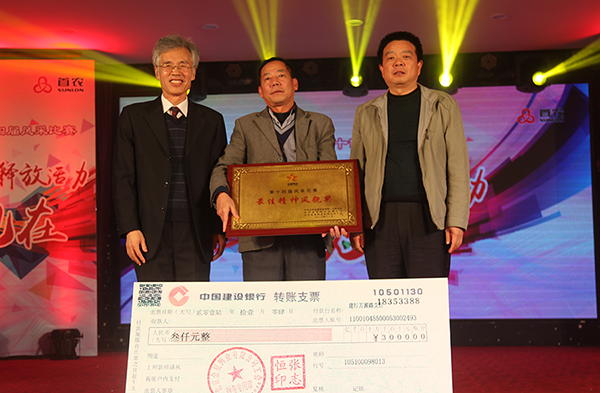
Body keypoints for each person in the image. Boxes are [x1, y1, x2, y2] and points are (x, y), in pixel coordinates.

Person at [350, 31, 470, 279]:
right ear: (382, 69)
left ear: (419, 66)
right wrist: (356, 224)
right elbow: (356, 172)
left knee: (428, 297)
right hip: (379, 220)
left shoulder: (443, 105)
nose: (398, 63)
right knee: (385, 297)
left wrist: (456, 220)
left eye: (406, 57)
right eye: (390, 58)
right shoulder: (366, 112)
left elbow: (458, 167)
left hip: (429, 218)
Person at [210, 57, 340, 281]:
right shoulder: (245, 126)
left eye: (281, 75)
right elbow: (223, 167)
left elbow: (331, 176)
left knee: (307, 302)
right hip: (259, 239)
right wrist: (221, 193)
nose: (275, 82)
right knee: (262, 303)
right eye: (267, 78)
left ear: (295, 83)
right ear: (261, 91)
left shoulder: (320, 123)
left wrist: (338, 214)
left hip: (308, 237)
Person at [113, 34, 227, 282]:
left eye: (183, 65)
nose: (176, 72)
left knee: (193, 302)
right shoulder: (133, 117)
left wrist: (217, 229)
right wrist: (130, 228)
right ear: (157, 72)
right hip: (149, 232)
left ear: (193, 72)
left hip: (197, 231)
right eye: (168, 65)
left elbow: (219, 174)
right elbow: (123, 178)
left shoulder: (212, 121)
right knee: (155, 302)